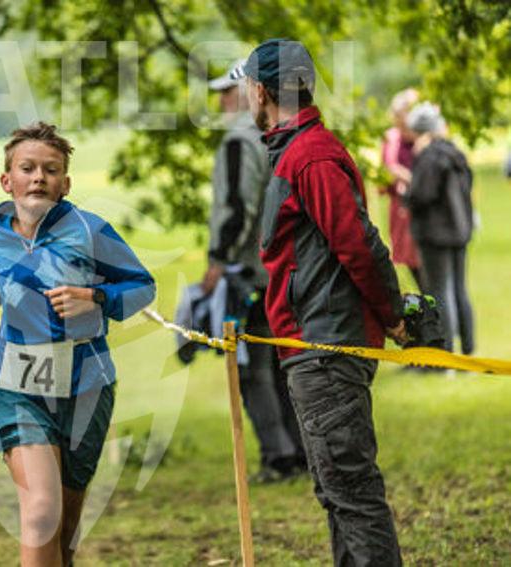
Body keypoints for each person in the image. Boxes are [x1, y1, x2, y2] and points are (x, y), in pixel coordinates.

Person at [0, 122, 155, 566]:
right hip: (17, 388)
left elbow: (143, 287)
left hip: (87, 389)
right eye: (27, 168)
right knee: (41, 511)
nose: (39, 178)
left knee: (64, 533)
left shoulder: (90, 231)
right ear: (7, 181)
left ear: (66, 183)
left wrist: (96, 297)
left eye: (51, 169)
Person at [244, 38, 408, 565]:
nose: (246, 96)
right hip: (311, 347)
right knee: (337, 494)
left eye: (247, 86)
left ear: (263, 91)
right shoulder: (293, 151)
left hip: (327, 348)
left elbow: (358, 245)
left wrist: (395, 316)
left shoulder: (310, 156)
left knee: (352, 494)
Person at [203, 59, 305, 482]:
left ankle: (279, 456)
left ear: (248, 92)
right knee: (285, 364)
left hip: (251, 272)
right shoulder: (285, 133)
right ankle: (299, 451)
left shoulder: (239, 141)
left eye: (227, 92)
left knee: (252, 369)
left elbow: (236, 209)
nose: (222, 102)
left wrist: (217, 258)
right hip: (289, 270)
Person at [404, 103, 475, 355]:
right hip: (459, 229)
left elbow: (421, 194)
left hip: (436, 233)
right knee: (459, 289)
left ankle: (445, 353)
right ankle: (468, 350)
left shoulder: (429, 157)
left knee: (439, 292)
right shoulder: (455, 153)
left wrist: (405, 195)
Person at [380, 88, 424, 291]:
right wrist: (390, 176)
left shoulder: (424, 140)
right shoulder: (390, 139)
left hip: (421, 210)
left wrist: (405, 176)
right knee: (411, 265)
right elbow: (383, 180)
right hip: (400, 212)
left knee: (426, 268)